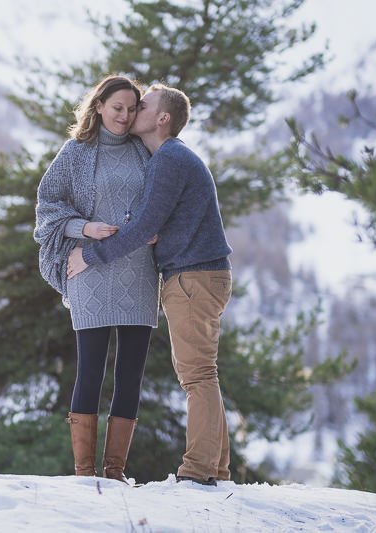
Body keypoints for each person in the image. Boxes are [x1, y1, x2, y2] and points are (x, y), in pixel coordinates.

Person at [67, 84, 234, 486]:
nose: (133, 111)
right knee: (202, 374)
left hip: (193, 276)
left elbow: (142, 226)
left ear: (162, 118)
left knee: (197, 376)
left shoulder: (168, 159)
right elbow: (147, 222)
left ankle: (197, 472)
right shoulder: (168, 158)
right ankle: (218, 469)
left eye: (143, 106)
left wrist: (88, 255)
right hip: (198, 274)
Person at [33, 75, 159, 483]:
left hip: (139, 270)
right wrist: (83, 229)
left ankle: (115, 472)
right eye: (116, 107)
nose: (124, 116)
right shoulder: (76, 152)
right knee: (90, 369)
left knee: (130, 373)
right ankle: (85, 473)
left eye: (131, 109)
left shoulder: (146, 151)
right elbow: (47, 204)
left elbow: (161, 202)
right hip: (87, 267)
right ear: (99, 106)